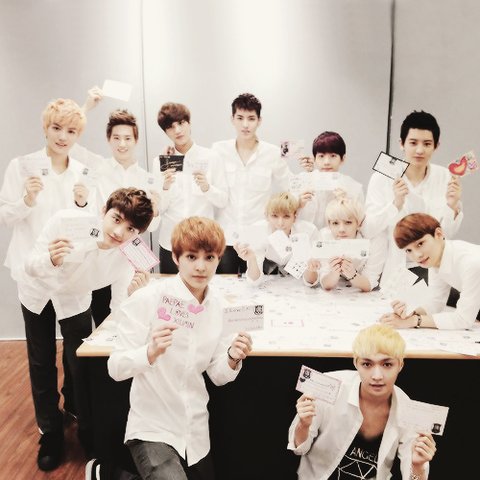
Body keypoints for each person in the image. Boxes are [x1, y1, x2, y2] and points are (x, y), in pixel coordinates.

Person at [19, 187, 153, 471]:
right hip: (38, 290)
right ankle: (51, 433)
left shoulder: (128, 254)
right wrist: (50, 259)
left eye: (131, 229)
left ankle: (85, 427)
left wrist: (134, 294)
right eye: (116, 219)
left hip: (75, 298)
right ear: (104, 211)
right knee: (42, 361)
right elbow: (29, 265)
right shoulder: (65, 220)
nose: (119, 232)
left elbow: (119, 307)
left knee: (79, 362)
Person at [0, 97, 92, 470]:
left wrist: (84, 206)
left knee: (78, 355)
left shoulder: (83, 172)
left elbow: (93, 226)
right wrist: (27, 198)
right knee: (40, 358)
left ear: (78, 135)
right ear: (45, 128)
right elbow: (6, 216)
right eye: (56, 128)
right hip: (34, 277)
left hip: (73, 279)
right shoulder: (21, 166)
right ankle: (50, 430)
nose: (62, 136)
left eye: (71, 131)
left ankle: (80, 415)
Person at [288, 324, 437, 479]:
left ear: (400, 365)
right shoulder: (329, 386)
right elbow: (299, 448)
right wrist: (303, 424)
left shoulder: (408, 412)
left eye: (387, 364)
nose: (377, 376)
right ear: (356, 363)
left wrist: (418, 466)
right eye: (367, 364)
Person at [72, 87, 162, 326]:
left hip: (133, 253)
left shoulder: (148, 179)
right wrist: (87, 107)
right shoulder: (97, 167)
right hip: (102, 248)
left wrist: (156, 211)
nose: (122, 144)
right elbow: (69, 143)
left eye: (128, 138)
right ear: (108, 139)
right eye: (116, 138)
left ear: (136, 140)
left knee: (131, 312)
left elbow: (152, 228)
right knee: (102, 314)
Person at [362, 111, 463, 289]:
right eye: (413, 143)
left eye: (427, 144)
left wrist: (452, 206)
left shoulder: (445, 177)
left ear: (436, 146)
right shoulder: (382, 178)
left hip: (433, 272)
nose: (419, 150)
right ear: (401, 143)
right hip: (392, 271)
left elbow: (446, 234)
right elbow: (369, 229)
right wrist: (396, 204)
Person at [212, 93, 290, 274]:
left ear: (259, 121)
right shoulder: (218, 150)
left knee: (263, 286)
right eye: (240, 118)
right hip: (226, 236)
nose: (245, 125)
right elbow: (201, 178)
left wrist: (309, 173)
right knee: (225, 286)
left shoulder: (273, 153)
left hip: (260, 239)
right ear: (232, 119)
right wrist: (172, 155)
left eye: (251, 118)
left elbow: (289, 188)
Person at [155, 102, 228, 273]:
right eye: (171, 127)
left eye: (181, 123)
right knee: (171, 289)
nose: (177, 130)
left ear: (189, 123)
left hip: (204, 244)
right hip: (171, 244)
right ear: (165, 132)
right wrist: (165, 187)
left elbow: (223, 201)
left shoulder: (211, 157)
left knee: (206, 289)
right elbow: (159, 208)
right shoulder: (160, 161)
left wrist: (207, 188)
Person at [380, 212, 480, 330]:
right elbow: (436, 302)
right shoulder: (436, 258)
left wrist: (414, 321)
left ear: (438, 234)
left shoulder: (471, 262)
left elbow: (463, 320)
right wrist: (410, 313)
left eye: (420, 244)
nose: (417, 255)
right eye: (409, 250)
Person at [303, 193, 386, 292]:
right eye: (335, 223)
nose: (341, 229)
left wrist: (352, 274)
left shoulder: (374, 241)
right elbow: (325, 284)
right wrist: (334, 273)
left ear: (359, 223)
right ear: (329, 225)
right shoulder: (324, 237)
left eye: (348, 222)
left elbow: (369, 284)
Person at [234, 191, 317, 284]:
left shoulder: (308, 232)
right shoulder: (258, 231)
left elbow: (311, 281)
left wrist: (311, 268)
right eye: (274, 216)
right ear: (267, 216)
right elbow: (254, 281)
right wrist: (252, 259)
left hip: (297, 281)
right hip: (268, 277)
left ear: (295, 217)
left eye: (286, 216)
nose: (280, 223)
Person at [295, 131, 364, 230]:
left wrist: (347, 204)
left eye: (333, 156)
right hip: (305, 237)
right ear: (314, 159)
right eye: (321, 156)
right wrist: (298, 204)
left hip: (338, 238)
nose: (326, 162)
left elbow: (361, 224)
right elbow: (284, 217)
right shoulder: (301, 181)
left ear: (343, 159)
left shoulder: (353, 187)